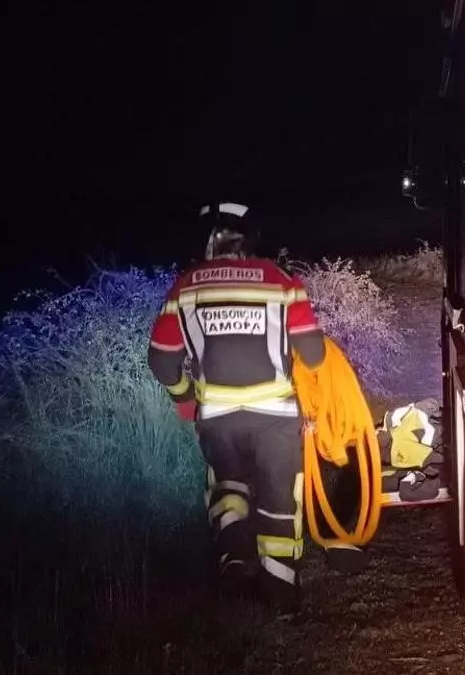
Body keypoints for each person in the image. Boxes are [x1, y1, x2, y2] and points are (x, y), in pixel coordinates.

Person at [146, 201, 326, 615]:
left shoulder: (185, 287)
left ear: (209, 240)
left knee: (227, 485)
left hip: (217, 417)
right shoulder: (281, 281)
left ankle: (234, 561)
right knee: (280, 498)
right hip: (277, 417)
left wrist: (185, 399)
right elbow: (314, 355)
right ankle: (281, 592)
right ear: (251, 239)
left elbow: (160, 360)